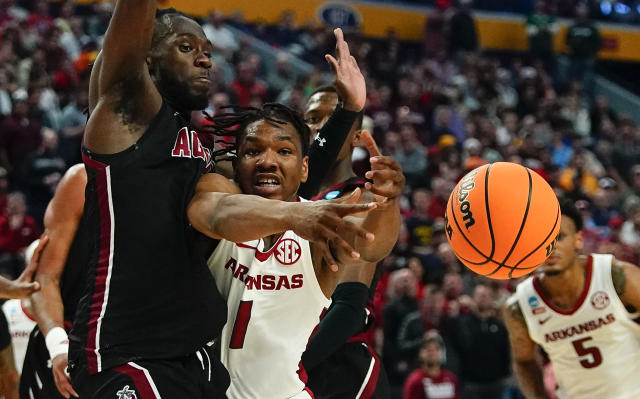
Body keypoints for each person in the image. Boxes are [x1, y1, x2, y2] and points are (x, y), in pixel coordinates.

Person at [187, 103, 404, 398]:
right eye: (253, 151)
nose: (268, 161)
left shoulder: (319, 226)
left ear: (304, 169)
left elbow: (372, 244)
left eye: (284, 151)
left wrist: (388, 201)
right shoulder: (219, 192)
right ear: (237, 164)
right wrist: (292, 215)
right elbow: (210, 214)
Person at [68, 4, 229, 398]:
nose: (205, 57)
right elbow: (124, 58)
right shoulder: (126, 112)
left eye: (207, 49)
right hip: (128, 353)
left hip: (191, 355)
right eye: (186, 47)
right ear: (148, 56)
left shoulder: (191, 137)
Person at [301, 84, 390, 398]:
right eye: (312, 118)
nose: (320, 128)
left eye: (331, 119)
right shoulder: (287, 197)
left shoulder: (360, 198)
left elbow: (347, 308)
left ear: (357, 137)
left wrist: (294, 365)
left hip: (340, 366)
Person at [504, 199, 640, 398]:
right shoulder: (520, 305)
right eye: (539, 240)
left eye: (558, 237)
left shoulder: (615, 275)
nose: (548, 248)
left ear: (579, 240)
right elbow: (524, 361)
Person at [19, 164, 86, 399]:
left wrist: (17, 286)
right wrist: (58, 343)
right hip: (70, 339)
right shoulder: (80, 180)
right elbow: (45, 277)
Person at [403, 332, 460, 399]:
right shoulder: (415, 381)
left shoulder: (451, 379)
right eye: (427, 348)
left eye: (436, 348)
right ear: (420, 354)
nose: (432, 351)